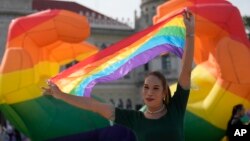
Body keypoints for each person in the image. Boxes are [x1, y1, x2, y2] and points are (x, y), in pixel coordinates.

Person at [42, 9, 195, 141]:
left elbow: (186, 71)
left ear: (164, 93)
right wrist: (61, 95)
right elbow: (94, 106)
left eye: (155, 88)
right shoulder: (135, 119)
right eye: (146, 87)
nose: (149, 92)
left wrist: (190, 34)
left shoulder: (176, 108)